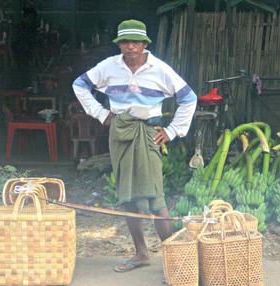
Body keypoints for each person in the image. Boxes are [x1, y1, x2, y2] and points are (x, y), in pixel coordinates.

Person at [72, 19, 197, 272]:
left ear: (144, 44)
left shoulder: (160, 69)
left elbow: (189, 98)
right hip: (120, 132)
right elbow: (80, 85)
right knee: (127, 196)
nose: (131, 47)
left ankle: (174, 258)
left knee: (155, 197)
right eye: (126, 42)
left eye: (136, 42)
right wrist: (101, 113)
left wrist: (172, 131)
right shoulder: (109, 67)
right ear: (119, 44)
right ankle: (141, 253)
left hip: (148, 132)